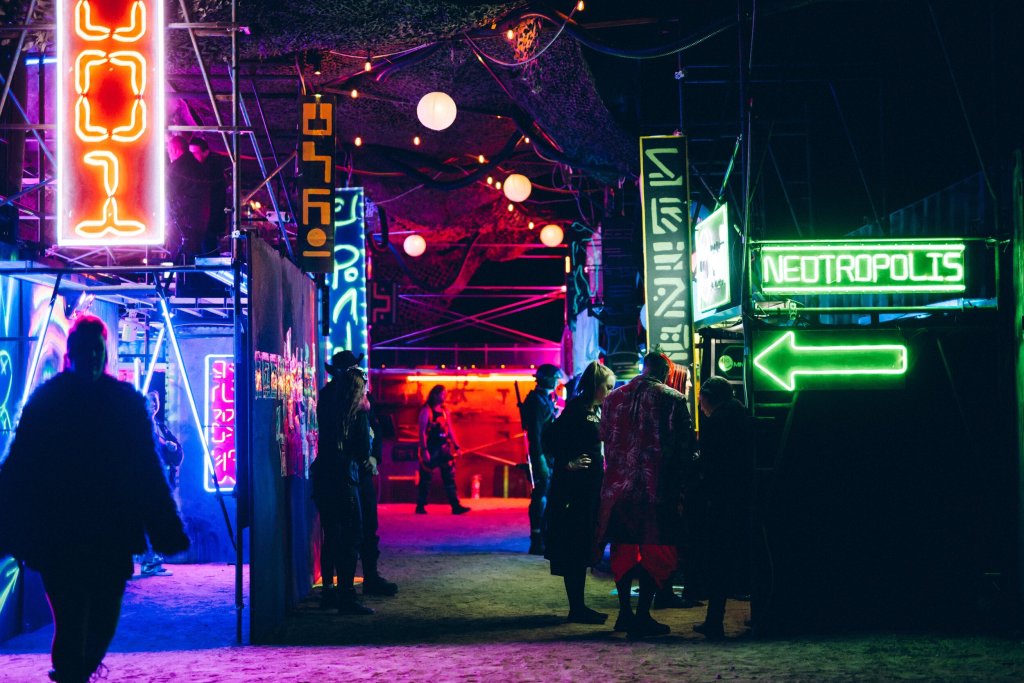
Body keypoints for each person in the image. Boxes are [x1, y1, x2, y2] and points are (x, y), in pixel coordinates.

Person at [0, 315, 188, 683]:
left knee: (81, 619)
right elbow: (146, 470)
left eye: (95, 351)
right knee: (92, 618)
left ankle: (74, 670)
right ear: (73, 354)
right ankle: (76, 671)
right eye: (86, 351)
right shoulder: (119, 403)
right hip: (101, 532)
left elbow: (18, 467)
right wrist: (165, 529)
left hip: (67, 531)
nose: (91, 358)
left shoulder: (51, 400)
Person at [595, 351, 695, 639]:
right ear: (665, 372)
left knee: (623, 551)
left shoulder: (613, 398)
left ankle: (625, 613)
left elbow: (604, 437)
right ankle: (643, 616)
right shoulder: (673, 399)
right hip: (655, 491)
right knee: (660, 551)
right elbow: (684, 446)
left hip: (616, 491)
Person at [543, 361, 616, 624]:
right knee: (574, 548)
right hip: (575, 493)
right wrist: (567, 463)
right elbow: (548, 438)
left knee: (583, 547)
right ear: (595, 386)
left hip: (590, 490)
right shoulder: (576, 410)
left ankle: (579, 606)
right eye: (607, 387)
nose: (611, 391)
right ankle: (577, 607)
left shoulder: (595, 410)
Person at [327, 350, 398, 597]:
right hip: (343, 472)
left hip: (362, 471)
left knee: (368, 525)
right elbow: (335, 438)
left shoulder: (366, 398)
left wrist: (373, 457)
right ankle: (337, 589)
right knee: (344, 531)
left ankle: (370, 576)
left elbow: (375, 430)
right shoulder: (331, 398)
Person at [693, 376, 753, 639]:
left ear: (708, 397)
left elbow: (708, 463)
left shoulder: (715, 422)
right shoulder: (740, 414)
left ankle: (714, 621)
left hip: (721, 499)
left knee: (718, 559)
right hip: (741, 496)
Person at [312, 362, 374, 615]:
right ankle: (347, 596)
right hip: (345, 481)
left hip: (324, 477)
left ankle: (329, 591)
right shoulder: (358, 415)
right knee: (351, 538)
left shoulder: (329, 407)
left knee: (331, 537)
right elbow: (362, 452)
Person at [138, 391, 184, 577]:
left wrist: (172, 447)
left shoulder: (159, 426)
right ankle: (149, 562)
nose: (153, 405)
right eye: (150, 402)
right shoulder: (141, 425)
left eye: (155, 402)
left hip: (160, 479)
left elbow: (175, 448)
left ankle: (153, 560)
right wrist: (167, 445)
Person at [520, 364, 561, 554]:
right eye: (555, 377)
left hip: (549, 455)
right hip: (542, 456)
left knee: (548, 495)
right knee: (541, 496)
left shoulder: (544, 399)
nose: (557, 381)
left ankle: (544, 537)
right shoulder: (536, 401)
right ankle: (536, 540)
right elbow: (535, 436)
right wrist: (540, 460)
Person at [416, 385, 470, 515]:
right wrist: (424, 450)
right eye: (442, 394)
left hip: (444, 449)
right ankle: (420, 506)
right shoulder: (426, 411)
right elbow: (422, 432)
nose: (444, 396)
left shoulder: (445, 411)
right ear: (435, 394)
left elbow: (449, 430)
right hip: (431, 448)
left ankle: (455, 506)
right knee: (426, 479)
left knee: (449, 478)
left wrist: (457, 446)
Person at [166, 135, 213, 262]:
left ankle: (182, 281)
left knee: (179, 259)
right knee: (193, 259)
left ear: (175, 150)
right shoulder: (197, 166)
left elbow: (166, 193)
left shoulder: (176, 169)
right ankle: (190, 281)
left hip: (181, 222)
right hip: (198, 221)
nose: (169, 155)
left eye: (169, 151)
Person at [188, 137, 229, 249]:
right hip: (204, 219)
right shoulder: (199, 169)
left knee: (207, 248)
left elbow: (215, 198)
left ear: (206, 152)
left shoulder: (212, 171)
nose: (192, 157)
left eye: (195, 153)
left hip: (210, 220)